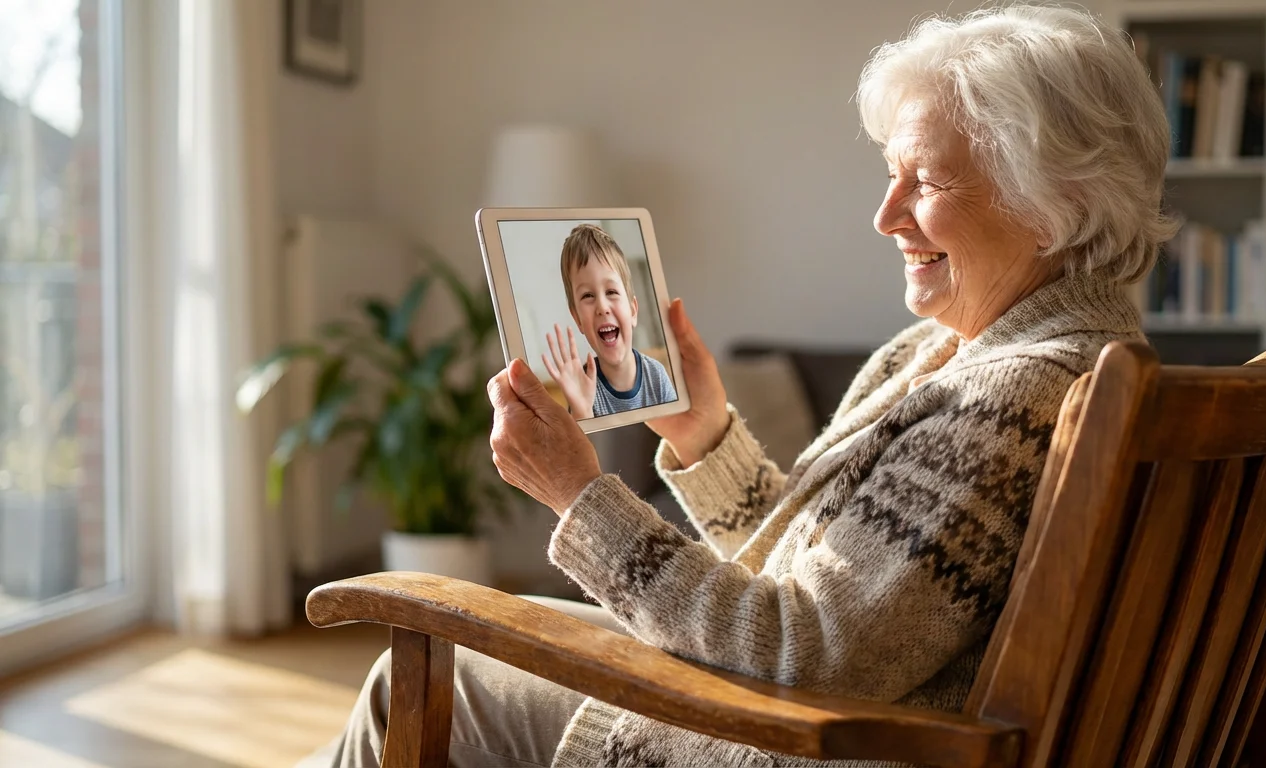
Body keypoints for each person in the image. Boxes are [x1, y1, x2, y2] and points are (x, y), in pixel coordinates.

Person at [309, 4, 1177, 766]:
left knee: (424, 677)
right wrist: (705, 438)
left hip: (819, 744)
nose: (886, 214)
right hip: (824, 714)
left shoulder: (1014, 399)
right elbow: (819, 595)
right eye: (891, 171)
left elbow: (802, 652)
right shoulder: (975, 354)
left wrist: (580, 495)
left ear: (1054, 198)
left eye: (930, 179)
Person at [543, 223, 678, 420]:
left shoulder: (656, 375)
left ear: (632, 310)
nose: (602, 307)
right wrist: (582, 412)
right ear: (577, 319)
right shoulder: (582, 387)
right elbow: (585, 450)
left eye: (611, 292)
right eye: (588, 295)